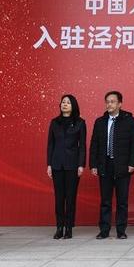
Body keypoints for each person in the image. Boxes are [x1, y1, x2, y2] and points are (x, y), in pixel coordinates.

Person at [89, 91, 134, 239]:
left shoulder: (129, 121)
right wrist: (93, 164)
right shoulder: (100, 122)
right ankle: (104, 230)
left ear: (120, 104)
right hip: (104, 164)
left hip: (123, 165)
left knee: (122, 201)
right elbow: (94, 144)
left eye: (112, 101)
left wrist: (132, 163)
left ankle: (121, 230)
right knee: (105, 201)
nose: (109, 104)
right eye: (107, 101)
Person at [46, 94, 86, 239]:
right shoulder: (54, 122)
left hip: (72, 165)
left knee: (70, 197)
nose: (65, 104)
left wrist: (81, 164)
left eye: (68, 102)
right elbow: (50, 145)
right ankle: (59, 227)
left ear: (73, 105)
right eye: (63, 102)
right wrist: (49, 164)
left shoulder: (80, 123)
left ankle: (69, 227)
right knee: (59, 198)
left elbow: (82, 146)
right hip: (57, 164)